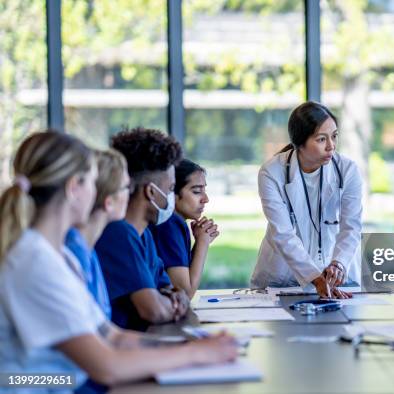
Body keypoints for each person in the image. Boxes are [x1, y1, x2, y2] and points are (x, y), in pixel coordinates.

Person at [0, 131, 237, 393]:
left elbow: (112, 336)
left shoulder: (60, 257)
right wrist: (195, 356)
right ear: (74, 189)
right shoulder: (35, 262)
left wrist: (193, 348)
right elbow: (106, 366)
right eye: (93, 182)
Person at [251, 101, 363, 299]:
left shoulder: (347, 170)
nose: (331, 146)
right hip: (282, 275)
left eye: (334, 136)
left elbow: (351, 227)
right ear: (300, 142)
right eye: (321, 139)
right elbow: (283, 233)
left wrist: (339, 263)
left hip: (335, 274)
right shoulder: (272, 172)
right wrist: (314, 277)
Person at [95, 127, 190, 331]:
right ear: (151, 192)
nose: (172, 197)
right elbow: (153, 310)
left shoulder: (144, 234)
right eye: (171, 189)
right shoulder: (118, 233)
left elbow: (169, 288)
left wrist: (175, 297)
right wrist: (172, 305)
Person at [65, 149, 130, 319]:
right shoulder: (73, 252)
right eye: (126, 187)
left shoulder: (87, 248)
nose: (130, 193)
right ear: (108, 202)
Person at [151, 159, 218, 299]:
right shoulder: (170, 224)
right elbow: (185, 294)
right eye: (197, 191)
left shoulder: (174, 222)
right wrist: (202, 242)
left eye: (204, 190)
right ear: (172, 193)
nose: (205, 199)